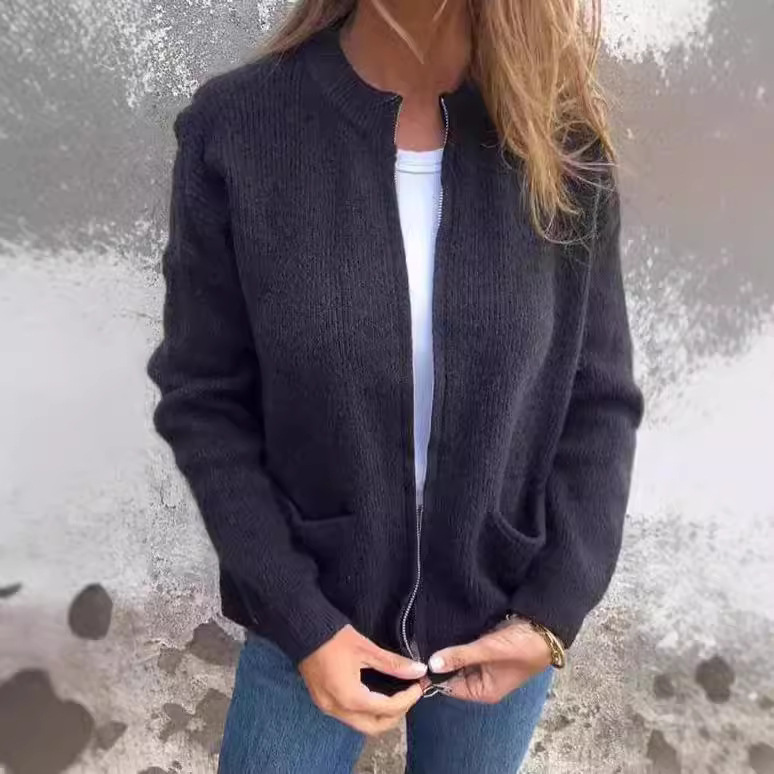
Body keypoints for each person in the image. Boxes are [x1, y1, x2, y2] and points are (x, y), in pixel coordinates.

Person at [146, 0, 644, 771]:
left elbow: (598, 400)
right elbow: (204, 399)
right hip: (306, 616)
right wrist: (298, 614)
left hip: (498, 622)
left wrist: (550, 615)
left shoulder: (559, 143)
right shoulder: (239, 128)